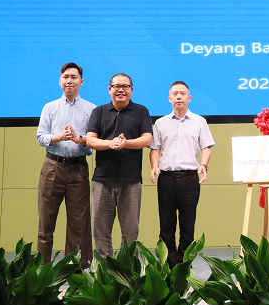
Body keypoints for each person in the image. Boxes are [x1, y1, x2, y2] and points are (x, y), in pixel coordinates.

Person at [35, 62, 95, 268]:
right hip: (53, 167)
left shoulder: (91, 109)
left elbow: (93, 141)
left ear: (81, 82)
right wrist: (59, 137)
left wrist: (80, 140)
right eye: (66, 77)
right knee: (46, 223)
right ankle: (43, 271)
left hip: (78, 168)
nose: (70, 81)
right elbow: (40, 137)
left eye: (74, 77)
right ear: (60, 81)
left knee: (79, 224)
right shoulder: (49, 107)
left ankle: (76, 271)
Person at [86, 73, 152, 257]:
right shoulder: (98, 112)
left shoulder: (141, 111)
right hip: (102, 180)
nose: (121, 90)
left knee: (130, 232)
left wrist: (125, 143)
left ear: (131, 90)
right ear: (109, 89)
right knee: (100, 232)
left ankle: (127, 271)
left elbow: (147, 139)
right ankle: (105, 270)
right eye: (116, 86)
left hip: (131, 181)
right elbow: (90, 140)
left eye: (125, 86)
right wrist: (110, 143)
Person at [150, 81, 215, 268]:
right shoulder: (160, 123)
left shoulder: (199, 121)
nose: (179, 96)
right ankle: (169, 266)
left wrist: (204, 165)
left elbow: (206, 146)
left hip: (189, 179)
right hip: (166, 179)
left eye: (182, 93)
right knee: (166, 225)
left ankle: (184, 266)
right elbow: (155, 149)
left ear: (189, 98)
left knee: (188, 225)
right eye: (175, 94)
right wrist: (154, 166)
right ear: (169, 98)